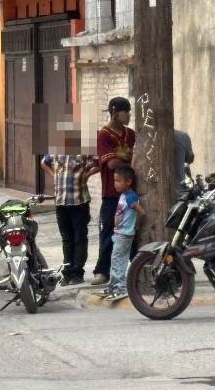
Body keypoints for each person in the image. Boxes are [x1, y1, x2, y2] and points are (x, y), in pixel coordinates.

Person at [91, 97, 136, 285]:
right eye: (126, 112)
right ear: (115, 113)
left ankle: (138, 266)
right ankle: (103, 271)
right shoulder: (104, 135)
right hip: (111, 193)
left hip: (131, 192)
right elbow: (111, 164)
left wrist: (127, 161)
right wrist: (130, 161)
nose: (129, 115)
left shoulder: (131, 134)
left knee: (133, 231)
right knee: (109, 231)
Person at [41, 152, 99, 286]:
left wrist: (87, 174)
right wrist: (54, 175)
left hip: (79, 201)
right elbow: (44, 163)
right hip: (61, 201)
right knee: (67, 239)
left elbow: (99, 163)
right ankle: (67, 273)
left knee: (80, 238)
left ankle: (78, 273)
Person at [96, 165, 145, 301]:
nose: (115, 184)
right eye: (114, 180)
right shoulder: (123, 195)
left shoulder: (130, 196)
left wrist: (136, 225)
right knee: (115, 260)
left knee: (119, 261)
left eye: (118, 181)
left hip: (124, 234)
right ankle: (113, 286)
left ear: (128, 182)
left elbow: (141, 212)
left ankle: (121, 288)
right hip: (119, 234)